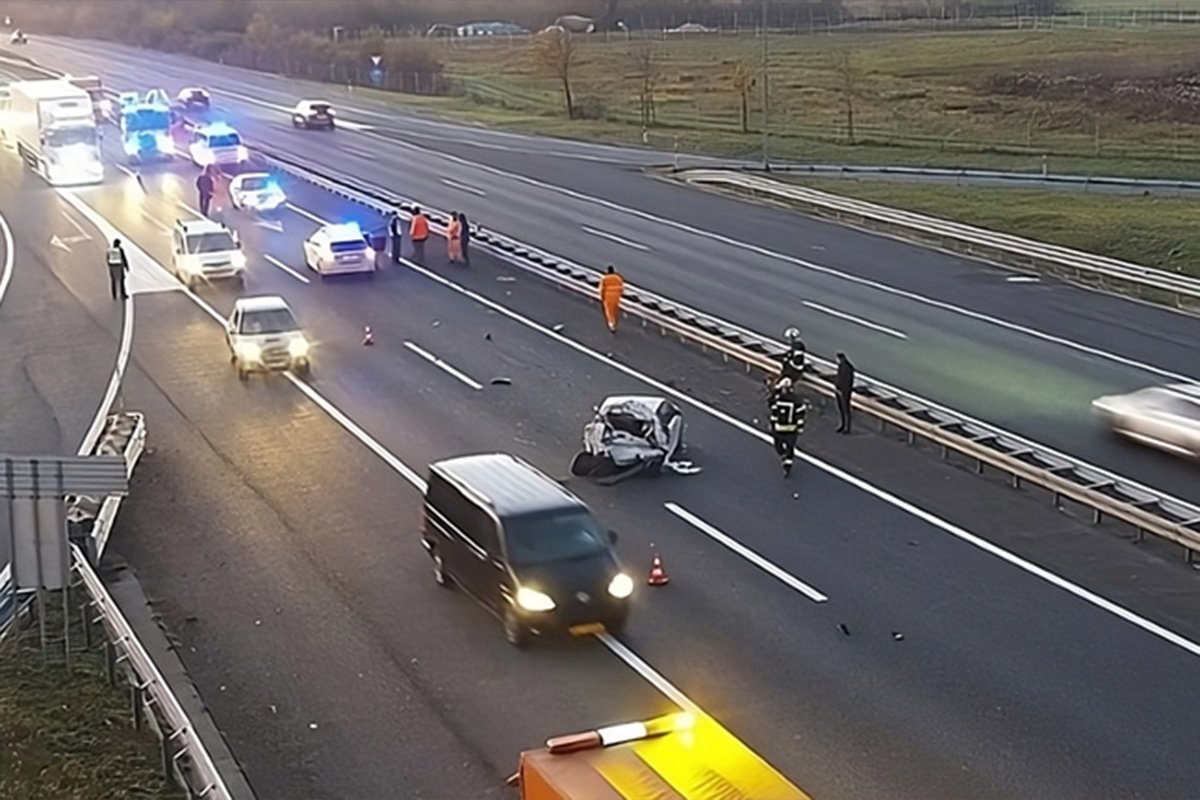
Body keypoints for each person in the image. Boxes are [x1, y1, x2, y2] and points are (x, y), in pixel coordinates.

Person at [768, 377, 806, 477]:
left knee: (779, 446)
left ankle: (784, 457)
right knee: (790, 447)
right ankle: (787, 465)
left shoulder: (778, 398)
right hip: (792, 429)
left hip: (779, 428)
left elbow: (772, 408)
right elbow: (800, 414)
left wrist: (772, 425)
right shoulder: (797, 400)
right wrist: (800, 427)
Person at [599, 265, 624, 333]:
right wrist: (619, 294)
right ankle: (615, 322)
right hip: (616, 297)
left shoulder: (604, 278)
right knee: (615, 310)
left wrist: (602, 297)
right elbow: (622, 288)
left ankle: (612, 325)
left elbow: (601, 289)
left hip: (608, 297)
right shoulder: (618, 278)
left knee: (609, 312)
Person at [835, 352, 856, 434]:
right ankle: (843, 425)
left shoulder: (847, 368)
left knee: (845, 408)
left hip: (844, 391)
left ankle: (847, 427)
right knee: (841, 408)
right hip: (840, 390)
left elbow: (846, 381)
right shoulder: (842, 366)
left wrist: (842, 389)